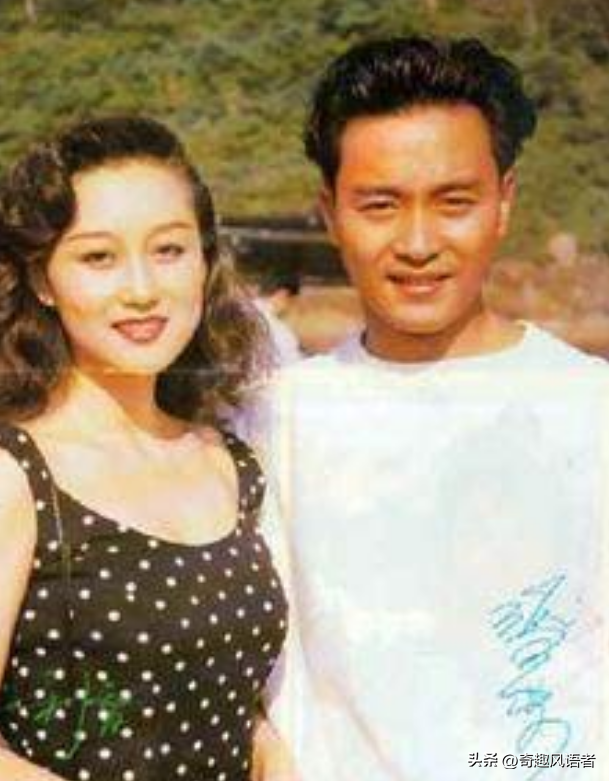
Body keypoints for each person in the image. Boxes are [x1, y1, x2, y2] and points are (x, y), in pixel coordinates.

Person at [255, 37, 608, 781]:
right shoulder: (273, 419)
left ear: (504, 202)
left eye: (453, 203)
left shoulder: (589, 408)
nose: (417, 243)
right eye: (379, 205)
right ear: (329, 214)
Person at [0, 116, 291, 781]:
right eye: (98, 257)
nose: (141, 289)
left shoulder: (231, 461)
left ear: (205, 261)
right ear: (42, 279)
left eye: (168, 250)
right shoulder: (16, 474)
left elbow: (196, 686)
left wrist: (266, 745)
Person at [251, 268, 303, 366]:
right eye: (293, 301)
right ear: (282, 294)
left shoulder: (236, 313)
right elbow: (294, 368)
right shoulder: (280, 331)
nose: (290, 308)